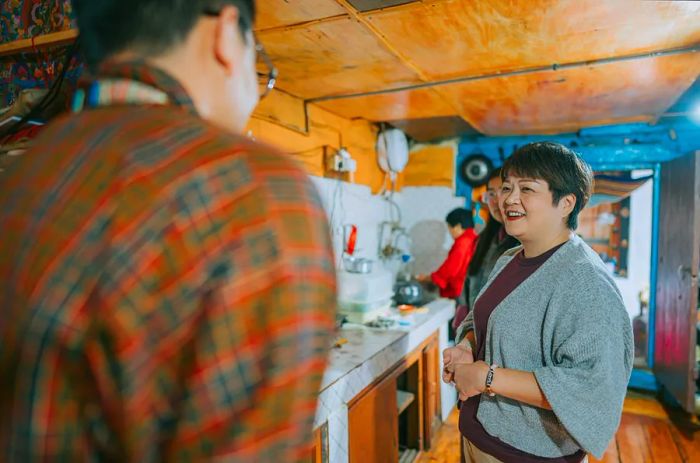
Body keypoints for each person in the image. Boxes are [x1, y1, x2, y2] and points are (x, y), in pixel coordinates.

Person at [0, 1, 336, 461]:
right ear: (226, 31)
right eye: (256, 56)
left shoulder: (20, 175)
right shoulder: (254, 191)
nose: (257, 87)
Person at [443, 142, 633, 463]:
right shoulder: (510, 258)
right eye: (506, 187)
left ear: (566, 203)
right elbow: (482, 321)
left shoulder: (584, 280)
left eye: (527, 189)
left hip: (528, 453)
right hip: (480, 433)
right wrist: (466, 343)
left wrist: (488, 378)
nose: (508, 199)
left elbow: (592, 384)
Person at [455, 168, 519, 329]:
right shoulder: (485, 238)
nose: (497, 200)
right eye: (491, 194)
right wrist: (463, 316)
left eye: (505, 190)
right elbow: (471, 279)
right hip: (474, 331)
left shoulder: (525, 242)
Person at [417, 208, 478, 300]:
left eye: (449, 228)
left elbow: (450, 268)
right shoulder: (474, 239)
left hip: (461, 291)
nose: (449, 233)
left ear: (458, 226)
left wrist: (430, 278)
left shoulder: (463, 242)